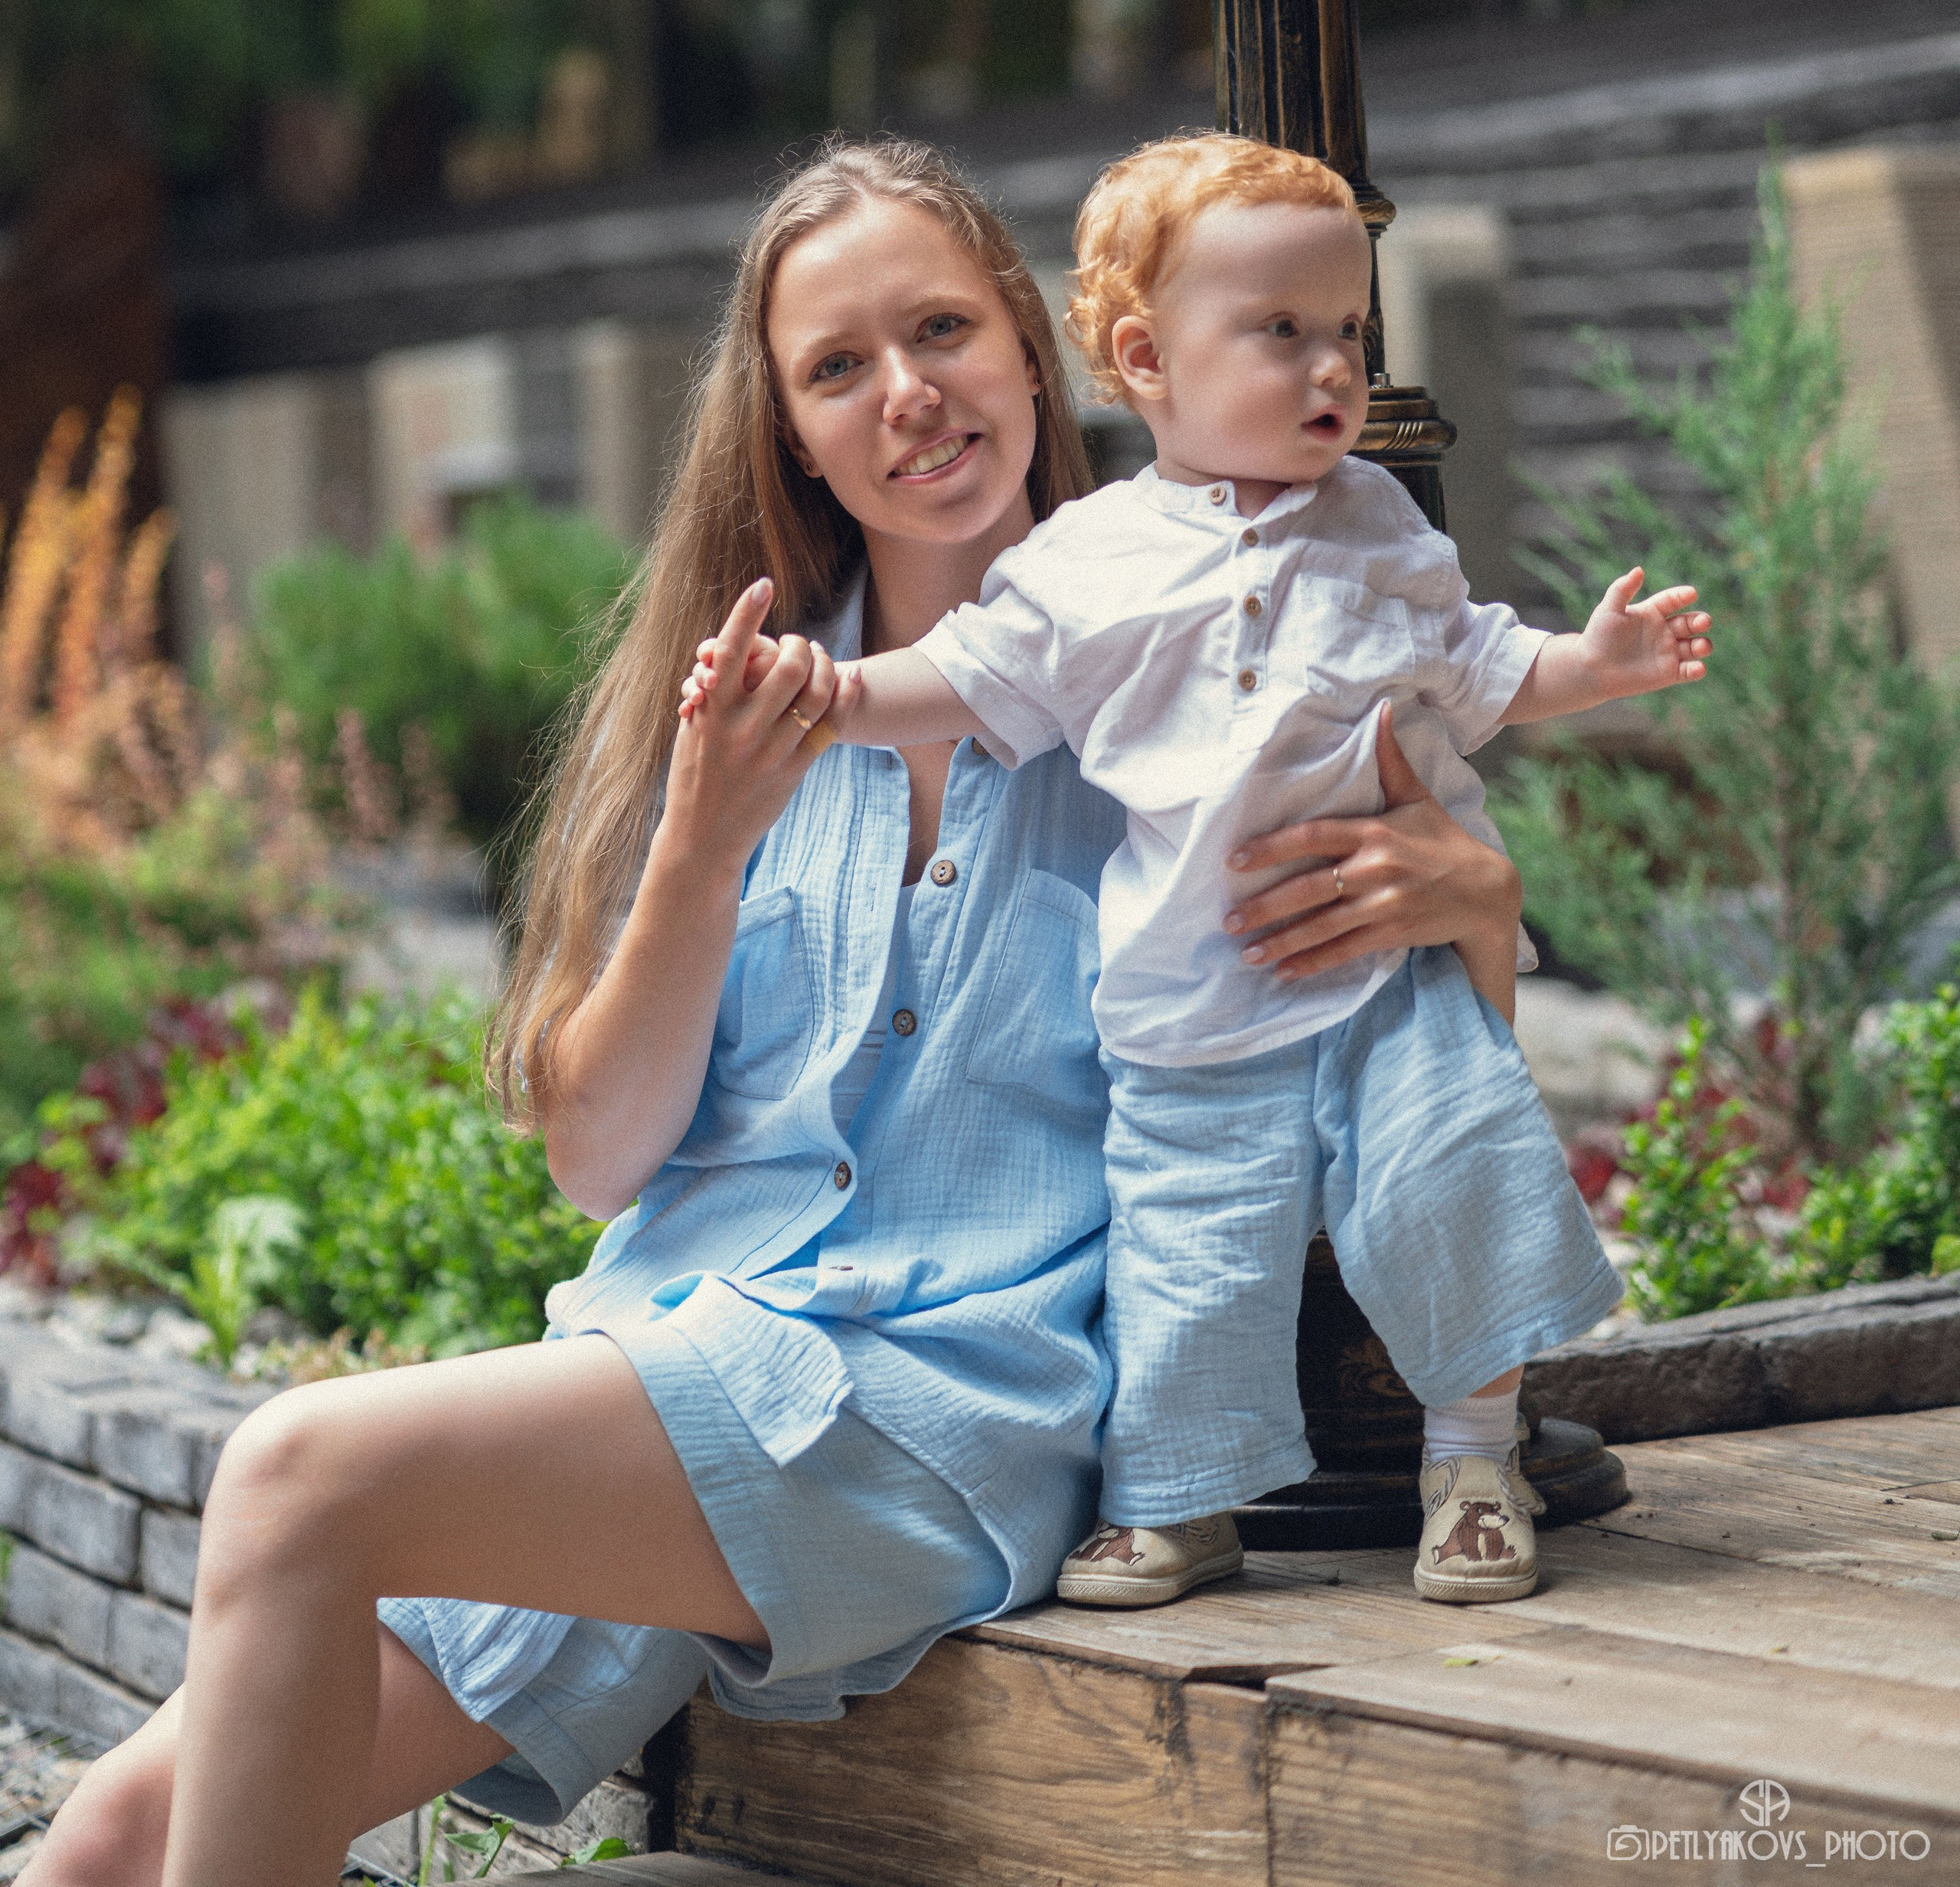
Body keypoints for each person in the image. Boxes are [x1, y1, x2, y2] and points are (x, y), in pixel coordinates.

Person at [31, 139, 1534, 1887]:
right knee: (99, 1843)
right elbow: (600, 1161)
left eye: (941, 333)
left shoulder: (1207, 684)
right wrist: (699, 834)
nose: (908, 396)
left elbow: (1423, 1051)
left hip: (927, 1406)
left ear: (1033, 350)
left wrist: (1478, 907)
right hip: (666, 1373)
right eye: (840, 366)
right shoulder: (750, 706)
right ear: (794, 428)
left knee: (295, 1470)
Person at [697, 136, 1701, 1612]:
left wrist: (1591, 667)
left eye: (1350, 330)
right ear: (1144, 360)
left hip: (1378, 974)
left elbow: (1483, 660)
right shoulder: (1090, 561)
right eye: (1281, 333)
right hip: (1186, 1001)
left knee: (1448, 1177)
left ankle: (1475, 1459)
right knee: (1190, 1255)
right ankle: (1181, 1503)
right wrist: (833, 696)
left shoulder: (1382, 525)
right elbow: (969, 674)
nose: (1332, 370)